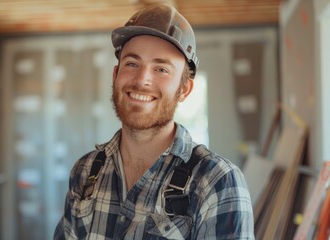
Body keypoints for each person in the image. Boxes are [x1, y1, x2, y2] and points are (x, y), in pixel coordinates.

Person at [54, 3, 254, 239]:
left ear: (184, 89)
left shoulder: (215, 182)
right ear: (115, 75)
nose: (142, 80)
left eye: (161, 69)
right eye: (132, 63)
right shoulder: (85, 171)